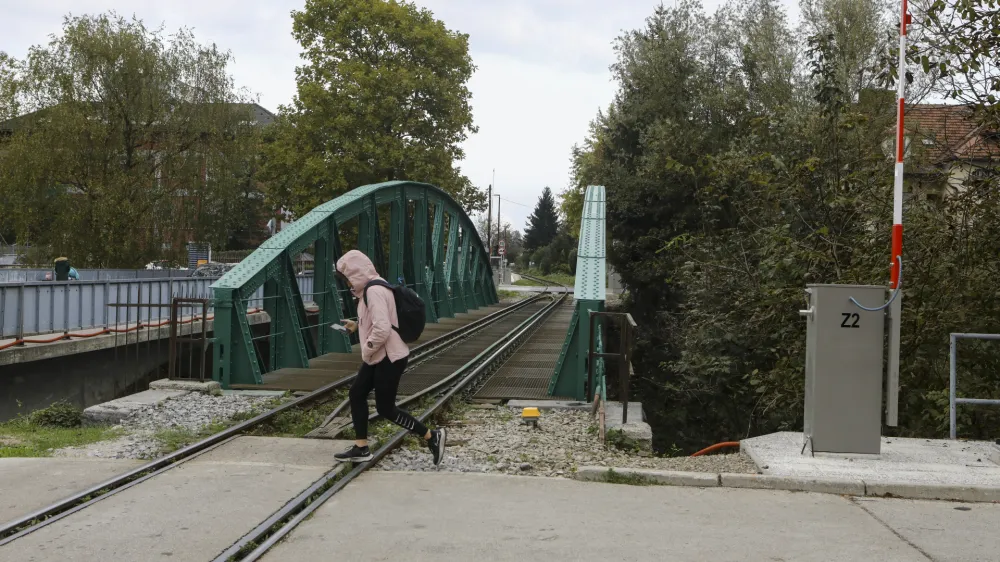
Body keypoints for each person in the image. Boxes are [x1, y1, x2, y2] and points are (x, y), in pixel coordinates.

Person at [333, 249, 446, 465]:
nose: (346, 283)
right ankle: (361, 447)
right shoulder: (373, 286)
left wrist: (366, 348)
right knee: (356, 394)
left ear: (356, 273)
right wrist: (357, 326)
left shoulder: (373, 291)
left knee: (386, 408)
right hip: (381, 354)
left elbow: (383, 328)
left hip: (388, 356)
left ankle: (432, 436)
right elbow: (380, 321)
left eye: (347, 277)